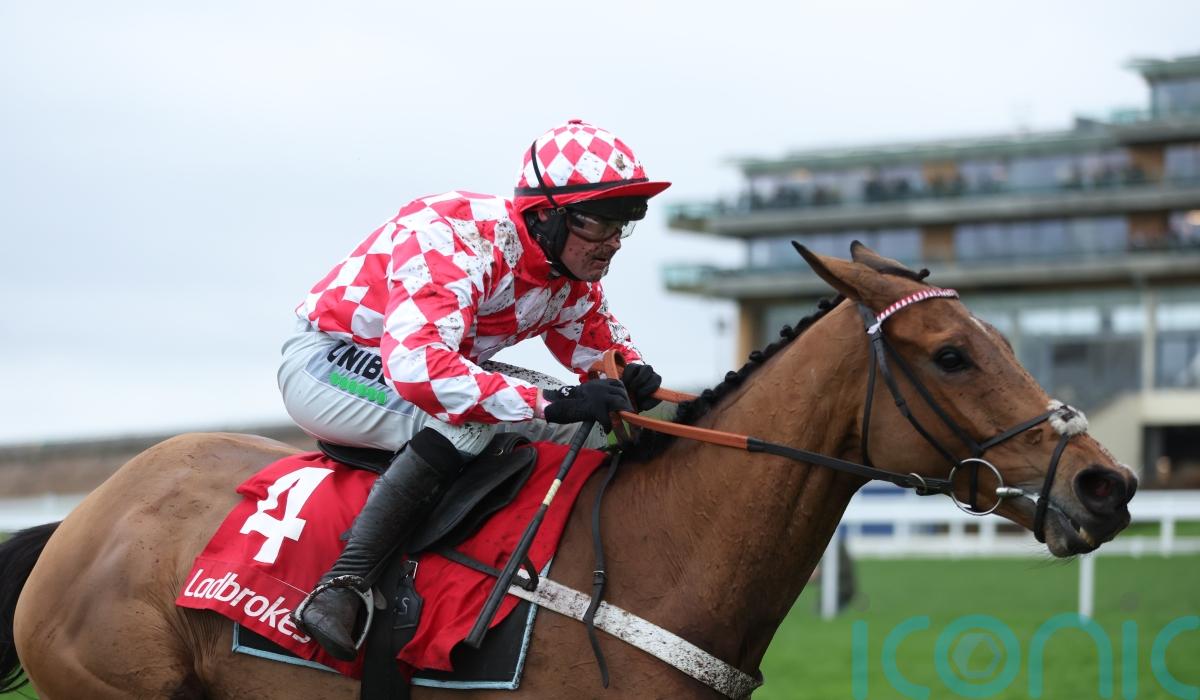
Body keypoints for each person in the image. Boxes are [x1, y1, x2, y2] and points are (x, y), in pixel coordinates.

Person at [277, 119, 669, 660]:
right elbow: (421, 370)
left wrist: (631, 374)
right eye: (599, 223)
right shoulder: (454, 233)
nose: (612, 243)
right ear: (546, 215)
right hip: (330, 362)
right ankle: (342, 585)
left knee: (589, 423)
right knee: (470, 422)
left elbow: (597, 346)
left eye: (623, 223)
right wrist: (549, 402)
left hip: (423, 365)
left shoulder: (565, 272)